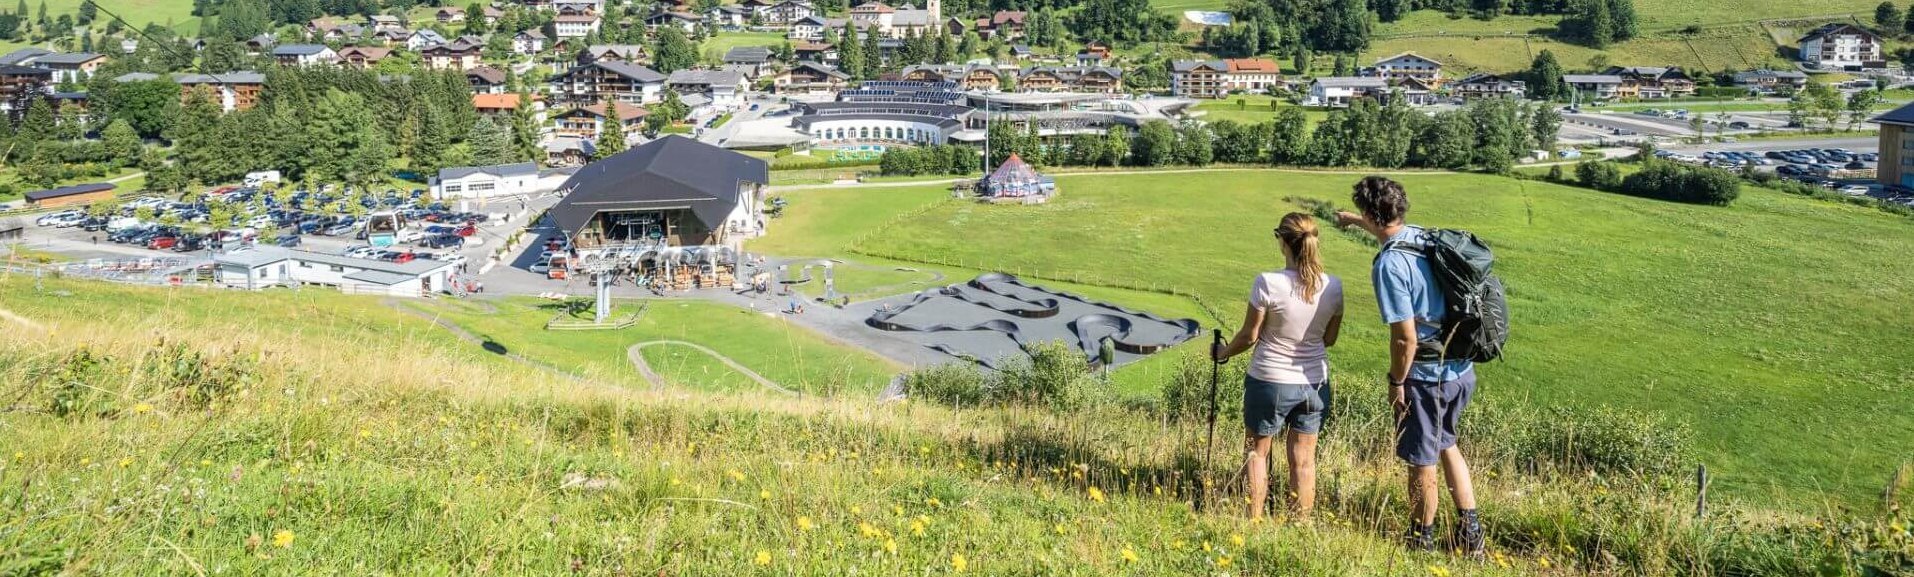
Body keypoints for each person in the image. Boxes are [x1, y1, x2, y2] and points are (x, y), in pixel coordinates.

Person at [1335, 176, 1483, 556]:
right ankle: (1471, 534)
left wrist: (1396, 381)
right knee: (1448, 444)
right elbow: (1386, 230)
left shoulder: (1389, 266)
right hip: (1461, 369)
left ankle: (1422, 540)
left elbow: (1405, 339)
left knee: (1421, 461)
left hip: (1426, 377)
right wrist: (1354, 220)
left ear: (1372, 213)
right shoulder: (1424, 237)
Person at [1212, 212, 1343, 523]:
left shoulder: (1268, 283)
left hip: (1269, 379)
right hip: (1314, 382)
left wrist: (1223, 353)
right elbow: (1331, 338)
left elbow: (1248, 336)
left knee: (1257, 453)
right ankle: (1300, 523)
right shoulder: (1333, 286)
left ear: (1284, 242)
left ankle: (1253, 521)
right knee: (1304, 460)